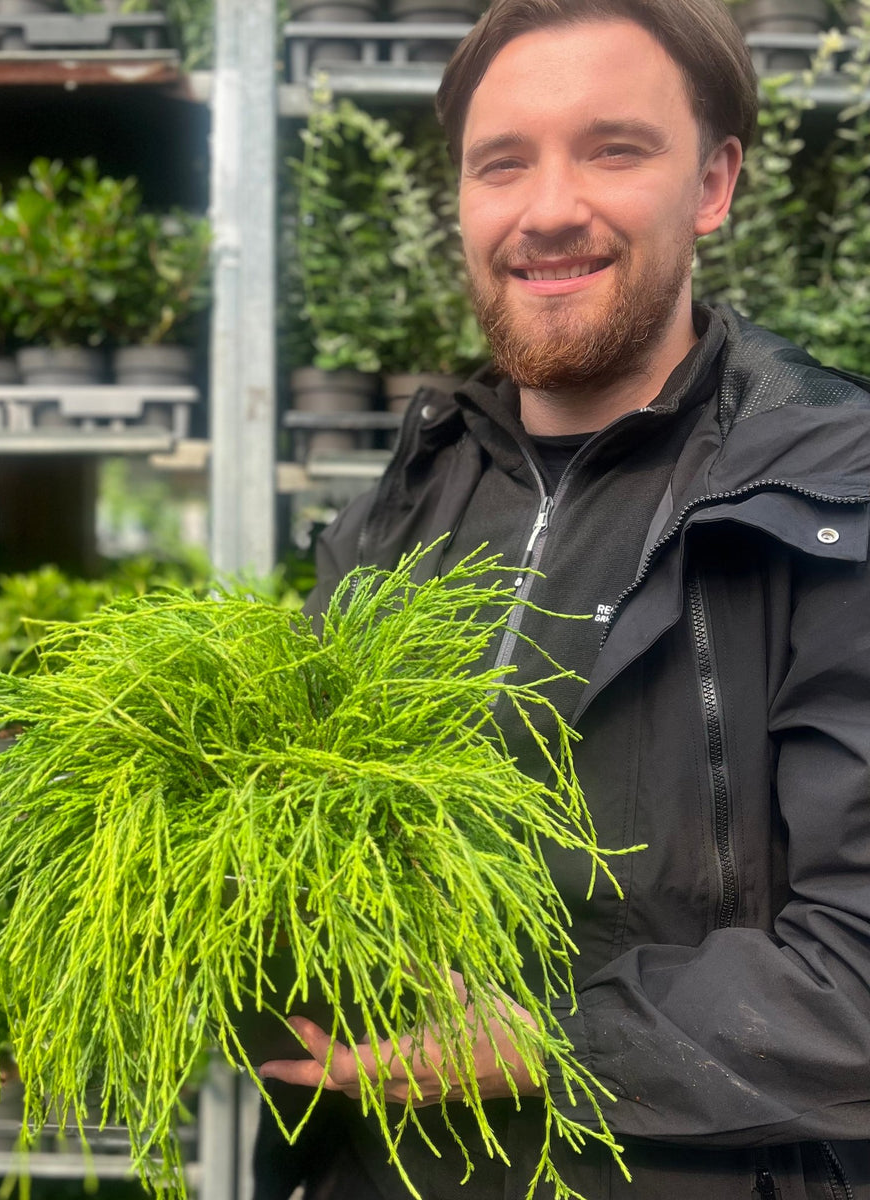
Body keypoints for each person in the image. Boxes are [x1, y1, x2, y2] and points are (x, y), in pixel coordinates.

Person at [254, 1, 870, 1197]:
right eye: (503, 164)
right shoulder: (399, 509)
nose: (547, 209)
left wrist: (545, 1042)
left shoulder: (833, 495)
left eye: (613, 148)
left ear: (713, 183)